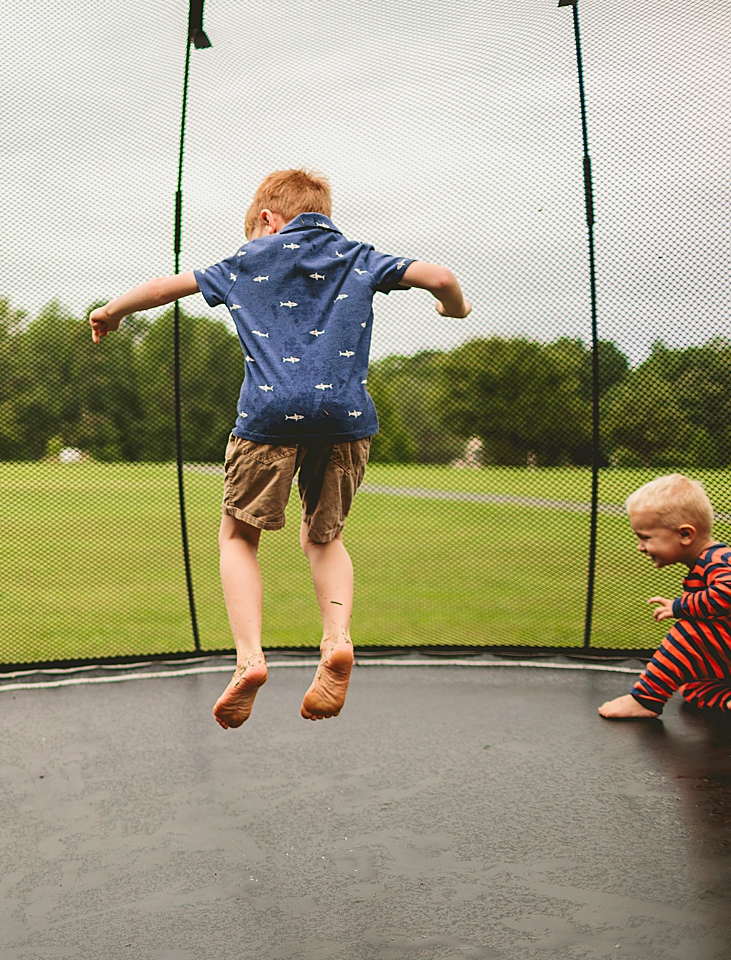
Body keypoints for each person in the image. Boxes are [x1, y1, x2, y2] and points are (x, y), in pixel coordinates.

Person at [89, 168, 470, 729]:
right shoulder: (358, 256)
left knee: (239, 535)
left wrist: (111, 312)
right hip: (345, 418)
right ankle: (336, 640)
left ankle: (249, 660)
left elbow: (165, 288)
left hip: (267, 417)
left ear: (267, 220)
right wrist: (453, 309)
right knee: (326, 536)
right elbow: (439, 274)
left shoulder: (248, 260)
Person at [599, 474, 731, 719]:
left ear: (685, 534)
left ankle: (646, 698)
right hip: (730, 661)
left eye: (645, 537)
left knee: (690, 632)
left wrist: (679, 606)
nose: (640, 547)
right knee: (691, 684)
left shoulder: (719, 560)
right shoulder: (706, 562)